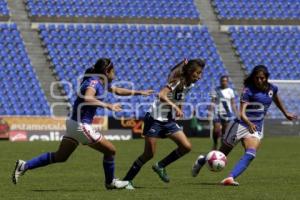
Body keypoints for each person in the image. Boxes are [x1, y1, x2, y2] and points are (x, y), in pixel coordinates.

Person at [12, 58, 154, 189]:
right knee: (111, 150)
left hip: (73, 123)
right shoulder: (94, 82)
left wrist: (139, 92)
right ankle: (110, 182)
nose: (114, 73)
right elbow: (88, 98)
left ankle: (25, 166)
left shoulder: (100, 81)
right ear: (106, 71)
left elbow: (117, 90)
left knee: (61, 156)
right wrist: (108, 106)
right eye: (113, 70)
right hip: (81, 125)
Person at [192, 65, 297, 185]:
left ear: (266, 77)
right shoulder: (248, 90)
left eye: (262, 78)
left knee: (251, 153)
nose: (259, 80)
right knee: (221, 154)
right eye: (257, 78)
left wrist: (285, 113)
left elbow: (276, 99)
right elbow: (241, 113)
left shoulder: (272, 89)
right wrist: (249, 123)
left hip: (255, 128)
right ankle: (202, 160)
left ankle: (230, 178)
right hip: (241, 124)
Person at [123, 58, 205, 189]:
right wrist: (175, 107)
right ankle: (127, 180)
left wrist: (180, 108)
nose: (200, 76)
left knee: (186, 147)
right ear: (190, 72)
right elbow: (161, 95)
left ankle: (160, 166)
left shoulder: (190, 85)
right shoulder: (177, 81)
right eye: (198, 73)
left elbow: (181, 97)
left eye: (201, 73)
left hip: (168, 120)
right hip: (154, 119)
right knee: (148, 154)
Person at [210, 75, 238, 150]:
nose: (224, 82)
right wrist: (210, 111)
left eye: (225, 81)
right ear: (220, 82)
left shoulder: (230, 91)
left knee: (225, 131)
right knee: (216, 130)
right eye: (222, 81)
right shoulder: (215, 90)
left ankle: (222, 145)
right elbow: (213, 101)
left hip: (227, 113)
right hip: (217, 112)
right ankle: (215, 143)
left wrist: (236, 112)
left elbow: (233, 103)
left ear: (227, 82)